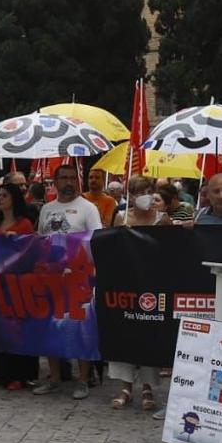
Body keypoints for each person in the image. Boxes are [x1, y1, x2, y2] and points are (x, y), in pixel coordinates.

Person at [33, 166, 103, 398]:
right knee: (49, 328)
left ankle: (82, 379)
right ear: (55, 181)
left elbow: (96, 241)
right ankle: (54, 377)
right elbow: (41, 240)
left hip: (79, 280)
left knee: (81, 328)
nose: (69, 182)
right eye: (64, 178)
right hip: (51, 279)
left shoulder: (88, 208)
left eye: (73, 178)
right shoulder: (46, 209)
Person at [109, 176, 172, 411]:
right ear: (131, 196)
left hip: (153, 285)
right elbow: (112, 249)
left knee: (149, 333)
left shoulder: (162, 219)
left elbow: (172, 249)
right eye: (137, 192)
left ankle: (148, 386)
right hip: (126, 283)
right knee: (125, 331)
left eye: (147, 190)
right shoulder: (121, 217)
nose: (143, 195)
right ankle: (125, 386)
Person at [0, 183, 41, 391]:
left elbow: (31, 252)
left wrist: (16, 242)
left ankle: (15, 375)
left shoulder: (24, 225)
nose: (0, 199)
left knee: (14, 330)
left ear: (14, 198)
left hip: (16, 284)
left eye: (5, 195)